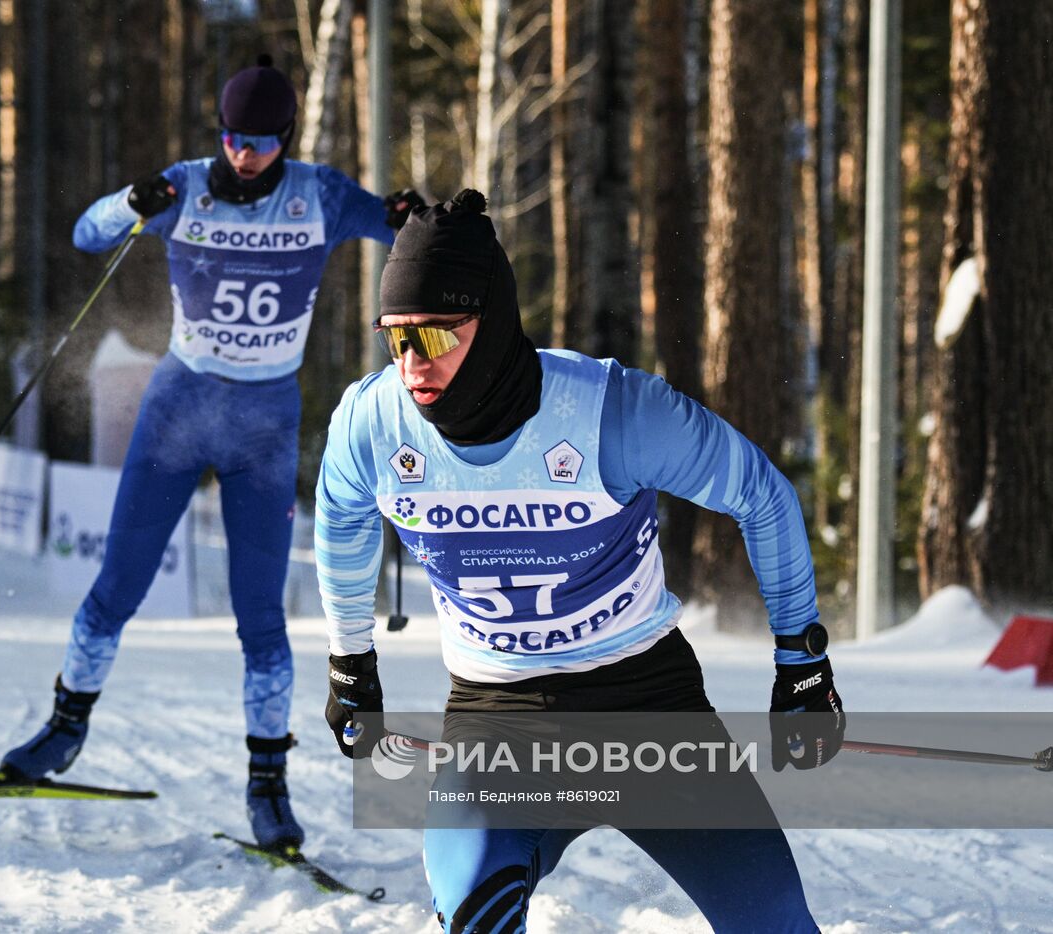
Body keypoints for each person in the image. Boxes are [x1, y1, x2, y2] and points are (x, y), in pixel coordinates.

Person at [315, 190, 845, 932]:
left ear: (491, 323)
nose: (411, 365)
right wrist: (350, 664)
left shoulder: (612, 412)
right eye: (395, 338)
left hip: (646, 709)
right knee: (473, 913)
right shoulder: (371, 424)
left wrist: (802, 661)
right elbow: (339, 518)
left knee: (776, 925)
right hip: (499, 719)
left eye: (434, 338)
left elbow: (763, 495)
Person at [0, 55, 423, 851]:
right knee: (116, 587)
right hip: (179, 412)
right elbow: (86, 234)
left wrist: (419, 212)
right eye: (232, 138)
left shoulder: (320, 195)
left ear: (283, 140)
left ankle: (268, 785)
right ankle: (63, 730)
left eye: (259, 142)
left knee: (260, 618)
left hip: (262, 429)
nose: (243, 155)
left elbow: (399, 224)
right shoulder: (185, 185)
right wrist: (132, 201)